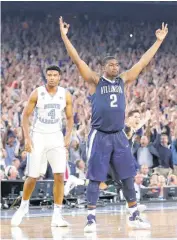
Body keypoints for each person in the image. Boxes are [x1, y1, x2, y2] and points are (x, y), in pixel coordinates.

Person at [59, 17, 168, 232]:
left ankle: (134, 215)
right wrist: (64, 36)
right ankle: (90, 218)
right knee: (94, 177)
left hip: (119, 135)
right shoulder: (94, 81)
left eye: (117, 64)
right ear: (103, 68)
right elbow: (77, 59)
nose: (115, 67)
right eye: (111, 64)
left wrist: (158, 41)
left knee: (127, 175)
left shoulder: (123, 80)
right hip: (99, 135)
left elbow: (142, 63)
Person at [11, 65, 73, 227]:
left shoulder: (65, 94)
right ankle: (23, 206)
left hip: (56, 137)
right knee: (33, 176)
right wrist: (27, 139)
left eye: (55, 75)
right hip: (38, 136)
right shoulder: (37, 93)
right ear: (46, 76)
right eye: (49, 75)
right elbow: (25, 116)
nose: (52, 77)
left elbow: (70, 118)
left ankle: (57, 215)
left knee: (59, 175)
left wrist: (67, 136)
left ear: (60, 77)